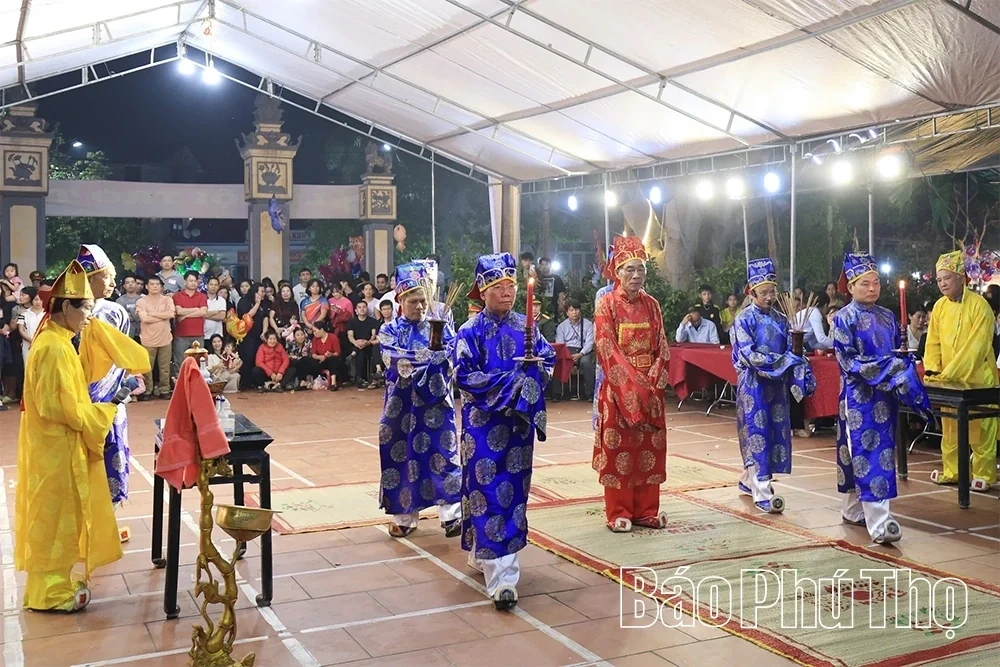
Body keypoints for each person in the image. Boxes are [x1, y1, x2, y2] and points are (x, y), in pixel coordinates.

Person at [16, 259, 147, 612]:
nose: (89, 315)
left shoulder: (58, 340)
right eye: (85, 307)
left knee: (60, 514)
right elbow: (63, 409)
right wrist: (108, 408)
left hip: (56, 443)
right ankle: (50, 593)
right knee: (55, 516)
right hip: (56, 445)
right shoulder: (55, 348)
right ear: (65, 307)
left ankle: (50, 584)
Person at [455, 252, 554, 610]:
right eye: (499, 287)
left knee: (512, 495)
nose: (507, 293)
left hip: (517, 428)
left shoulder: (527, 329)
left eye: (511, 286)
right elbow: (464, 376)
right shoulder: (469, 332)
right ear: (483, 291)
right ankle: (503, 581)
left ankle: (489, 556)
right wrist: (512, 383)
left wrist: (534, 376)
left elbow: (547, 361)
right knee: (485, 491)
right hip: (482, 427)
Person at [831, 251, 932, 544]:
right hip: (858, 398)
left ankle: (853, 509)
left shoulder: (887, 316)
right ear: (851, 287)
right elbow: (848, 362)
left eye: (875, 282)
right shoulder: (843, 318)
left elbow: (896, 353)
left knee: (877, 452)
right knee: (866, 452)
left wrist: (901, 362)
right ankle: (880, 524)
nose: (872, 288)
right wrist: (889, 367)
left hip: (883, 397)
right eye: (865, 283)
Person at [377, 261, 463, 538]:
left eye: (424, 301)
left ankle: (452, 515)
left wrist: (439, 357)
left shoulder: (441, 327)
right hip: (401, 407)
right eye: (413, 301)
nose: (420, 307)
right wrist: (431, 358)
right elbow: (394, 360)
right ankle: (404, 517)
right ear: (400, 301)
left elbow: (453, 354)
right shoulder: (389, 330)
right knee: (402, 456)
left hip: (437, 404)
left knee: (444, 455)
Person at [592, 236, 670, 532]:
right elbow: (606, 347)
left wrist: (652, 384)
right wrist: (633, 386)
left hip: (650, 390)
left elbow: (662, 347)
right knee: (620, 450)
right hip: (618, 390)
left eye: (641, 269)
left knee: (649, 449)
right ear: (617, 272)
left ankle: (647, 511)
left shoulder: (652, 305)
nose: (636, 275)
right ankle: (618, 512)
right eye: (630, 269)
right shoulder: (606, 304)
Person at [78, 244, 150, 543]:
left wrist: (128, 382)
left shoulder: (115, 311)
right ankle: (84, 523)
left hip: (112, 399)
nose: (112, 283)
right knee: (84, 460)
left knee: (114, 454)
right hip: (82, 400)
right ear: (89, 278)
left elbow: (122, 353)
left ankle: (107, 521)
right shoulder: (70, 313)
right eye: (106, 277)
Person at [731, 258, 815, 513]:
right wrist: (785, 361)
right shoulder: (743, 319)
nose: (769, 297)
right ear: (752, 293)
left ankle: (749, 481)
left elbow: (793, 351)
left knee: (774, 433)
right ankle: (762, 492)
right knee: (757, 434)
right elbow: (748, 355)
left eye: (772, 292)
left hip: (776, 388)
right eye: (764, 293)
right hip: (754, 386)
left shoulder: (781, 319)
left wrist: (800, 362)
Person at [924, 250, 998, 491]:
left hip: (979, 379)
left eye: (947, 278)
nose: (942, 283)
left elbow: (976, 347)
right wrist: (933, 371)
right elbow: (932, 343)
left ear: (960, 277)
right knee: (951, 428)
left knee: (982, 428)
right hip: (948, 380)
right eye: (939, 279)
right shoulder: (939, 307)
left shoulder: (980, 306)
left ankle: (984, 474)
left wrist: (950, 374)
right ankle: (953, 471)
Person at [136, 276, 175, 399]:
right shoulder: (141, 302)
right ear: (146, 286)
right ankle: (147, 390)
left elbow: (171, 314)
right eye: (152, 284)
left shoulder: (167, 300)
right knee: (147, 367)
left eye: (157, 284)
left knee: (165, 367)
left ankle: (165, 390)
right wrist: (162, 316)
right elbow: (145, 319)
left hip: (165, 338)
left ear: (161, 286)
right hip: (147, 339)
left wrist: (152, 314)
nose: (155, 286)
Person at [554, 298, 595, 400]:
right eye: (571, 310)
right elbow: (560, 344)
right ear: (567, 312)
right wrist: (567, 356)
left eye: (576, 309)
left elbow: (590, 343)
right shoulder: (561, 327)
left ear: (580, 311)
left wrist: (580, 354)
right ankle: (558, 393)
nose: (574, 312)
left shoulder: (588, 324)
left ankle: (590, 393)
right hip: (566, 351)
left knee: (587, 363)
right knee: (557, 361)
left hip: (583, 351)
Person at [172, 271, 209, 374]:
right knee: (180, 363)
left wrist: (185, 316)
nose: (193, 283)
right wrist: (196, 309)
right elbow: (179, 311)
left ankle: (197, 383)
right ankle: (180, 383)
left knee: (199, 363)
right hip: (181, 335)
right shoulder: (177, 296)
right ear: (185, 282)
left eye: (195, 281)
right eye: (190, 280)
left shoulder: (202, 296)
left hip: (198, 335)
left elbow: (203, 312)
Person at [236, 280, 268, 389]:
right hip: (247, 335)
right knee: (248, 357)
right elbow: (247, 316)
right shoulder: (244, 301)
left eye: (264, 292)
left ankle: (256, 382)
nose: (263, 294)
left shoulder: (264, 302)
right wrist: (257, 304)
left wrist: (264, 331)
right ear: (255, 292)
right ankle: (246, 382)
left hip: (259, 334)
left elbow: (265, 317)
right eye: (261, 291)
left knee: (258, 358)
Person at [347, 300, 382, 389]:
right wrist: (356, 343)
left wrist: (367, 342)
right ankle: (360, 378)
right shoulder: (352, 322)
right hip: (356, 345)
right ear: (356, 310)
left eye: (364, 307)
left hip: (369, 345)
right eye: (359, 307)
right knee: (360, 353)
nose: (362, 309)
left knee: (370, 349)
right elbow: (350, 336)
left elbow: (373, 335)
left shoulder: (373, 321)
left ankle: (367, 376)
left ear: (367, 309)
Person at [308, 321, 345, 389]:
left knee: (333, 360)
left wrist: (331, 354)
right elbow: (313, 354)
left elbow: (338, 352)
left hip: (330, 359)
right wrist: (319, 357)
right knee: (307, 360)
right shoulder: (315, 339)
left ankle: (333, 383)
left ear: (321, 330)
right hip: (320, 360)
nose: (314, 333)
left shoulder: (333, 337)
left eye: (315, 331)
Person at [16, 287, 44, 364]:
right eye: (36, 299)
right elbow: (21, 330)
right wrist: (31, 341)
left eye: (41, 300)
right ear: (32, 300)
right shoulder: (24, 313)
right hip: (28, 345)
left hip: (43, 344)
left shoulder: (47, 315)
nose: (38, 302)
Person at [116, 275, 143, 339]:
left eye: (132, 282)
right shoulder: (119, 300)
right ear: (124, 286)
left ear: (136, 284)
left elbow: (142, 317)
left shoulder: (142, 300)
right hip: (125, 334)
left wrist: (131, 315)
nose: (130, 284)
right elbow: (122, 317)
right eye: (127, 283)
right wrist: (135, 314)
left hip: (141, 333)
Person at [204, 276, 227, 345]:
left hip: (217, 336)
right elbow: (199, 314)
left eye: (216, 285)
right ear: (207, 285)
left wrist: (205, 315)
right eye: (211, 284)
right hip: (203, 335)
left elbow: (222, 316)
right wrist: (216, 312)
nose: (213, 287)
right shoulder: (201, 298)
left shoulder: (221, 300)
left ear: (218, 286)